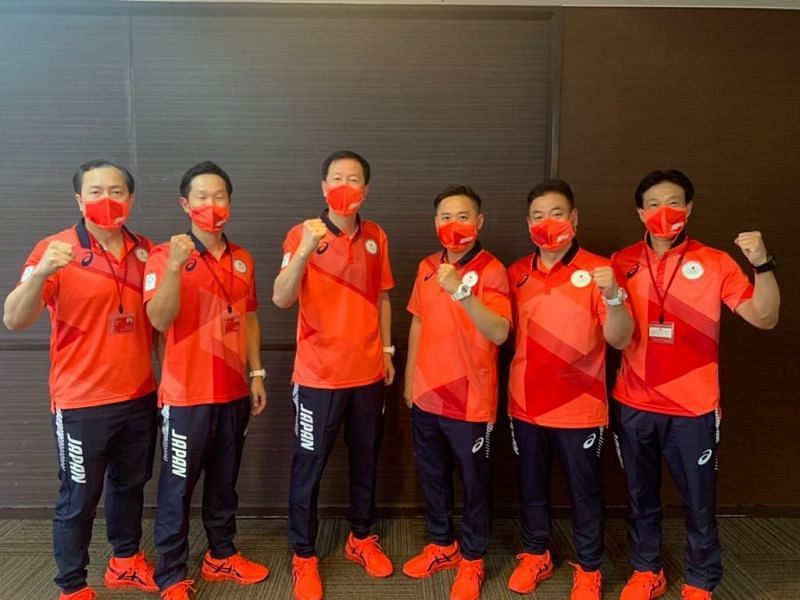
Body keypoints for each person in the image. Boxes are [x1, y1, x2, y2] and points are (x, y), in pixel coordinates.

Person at [612, 169, 780, 600]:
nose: (663, 212)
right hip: (633, 402)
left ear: (688, 209)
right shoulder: (621, 262)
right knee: (639, 496)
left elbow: (764, 318)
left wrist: (761, 262)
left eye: (672, 202)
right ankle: (646, 570)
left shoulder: (716, 262)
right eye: (652, 204)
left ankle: (701, 577)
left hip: (693, 408)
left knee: (699, 502)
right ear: (639, 212)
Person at [3, 160, 158, 600]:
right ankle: (72, 585)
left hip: (139, 394)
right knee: (80, 496)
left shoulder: (146, 250)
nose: (105, 200)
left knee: (130, 485)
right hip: (81, 402)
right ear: (78, 199)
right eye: (94, 191)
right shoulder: (55, 249)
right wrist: (41, 273)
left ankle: (125, 562)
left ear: (130, 198)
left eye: (115, 191)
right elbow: (14, 318)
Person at [273, 150, 395, 600]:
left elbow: (383, 297)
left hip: (367, 374)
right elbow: (282, 297)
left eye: (354, 178)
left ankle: (361, 538)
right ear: (323, 187)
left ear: (366, 189)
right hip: (317, 376)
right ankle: (304, 555)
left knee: (366, 460)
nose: (346, 185)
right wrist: (305, 247)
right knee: (309, 468)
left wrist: (386, 350)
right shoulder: (301, 233)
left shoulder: (377, 235)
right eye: (337, 178)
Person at [144, 161, 268, 600]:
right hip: (186, 395)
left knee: (223, 480)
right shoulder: (163, 256)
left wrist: (256, 372)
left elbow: (250, 318)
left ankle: (220, 555)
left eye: (219, 197)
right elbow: (158, 318)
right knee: (177, 486)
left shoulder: (243, 258)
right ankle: (172, 574)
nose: (211, 205)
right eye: (201, 196)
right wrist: (177, 267)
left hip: (233, 389)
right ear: (185, 203)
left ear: (229, 203)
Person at [505, 179, 633, 600]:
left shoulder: (600, 270)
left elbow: (619, 338)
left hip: (580, 409)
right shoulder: (515, 273)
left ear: (574, 218)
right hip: (525, 406)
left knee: (585, 491)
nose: (548, 223)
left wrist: (614, 295)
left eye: (556, 213)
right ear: (528, 224)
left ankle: (589, 566)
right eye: (538, 216)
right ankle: (535, 552)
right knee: (531, 485)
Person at [402, 185, 511, 600]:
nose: (454, 225)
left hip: (471, 399)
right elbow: (416, 322)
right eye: (446, 217)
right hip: (428, 393)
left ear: (479, 222)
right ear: (435, 223)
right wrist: (412, 379)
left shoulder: (493, 270)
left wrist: (461, 291)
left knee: (474, 483)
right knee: (432, 476)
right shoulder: (427, 265)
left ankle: (473, 559)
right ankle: (442, 545)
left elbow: (499, 331)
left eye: (463, 216)